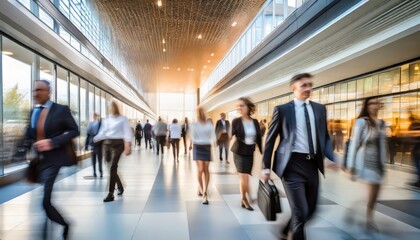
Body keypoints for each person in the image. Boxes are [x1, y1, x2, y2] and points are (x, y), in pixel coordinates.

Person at [262, 73, 336, 240]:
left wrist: (329, 157)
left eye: (310, 85)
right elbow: (270, 139)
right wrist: (265, 167)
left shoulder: (319, 109)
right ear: (293, 88)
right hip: (291, 165)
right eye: (304, 85)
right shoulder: (282, 110)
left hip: (312, 165)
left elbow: (324, 136)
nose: (308, 88)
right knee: (300, 212)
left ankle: (285, 229)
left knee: (311, 210)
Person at [25, 80, 79, 239]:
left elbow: (74, 131)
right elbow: (29, 133)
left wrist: (52, 142)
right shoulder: (33, 112)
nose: (36, 93)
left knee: (45, 201)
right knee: (44, 199)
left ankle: (65, 224)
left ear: (49, 92)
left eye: (40, 90)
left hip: (54, 159)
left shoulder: (61, 110)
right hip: (37, 161)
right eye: (34, 90)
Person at [347, 97, 387, 229]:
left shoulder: (382, 123)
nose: (375, 105)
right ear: (367, 106)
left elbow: (383, 145)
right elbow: (354, 144)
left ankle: (362, 211)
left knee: (377, 192)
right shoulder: (361, 122)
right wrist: (350, 165)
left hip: (378, 163)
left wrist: (384, 163)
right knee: (371, 191)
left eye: (376, 103)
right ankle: (369, 219)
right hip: (365, 161)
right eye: (371, 103)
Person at [94, 101, 133, 202]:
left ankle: (110, 193)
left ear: (115, 108)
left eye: (112, 107)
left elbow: (127, 133)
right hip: (107, 144)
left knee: (113, 167)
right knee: (111, 168)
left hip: (119, 144)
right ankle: (120, 186)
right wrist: (96, 138)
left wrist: (127, 145)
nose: (110, 109)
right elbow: (102, 132)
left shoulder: (123, 119)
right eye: (109, 108)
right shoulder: (106, 120)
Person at [231, 97, 262, 211]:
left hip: (249, 152)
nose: (239, 108)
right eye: (238, 106)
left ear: (248, 107)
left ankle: (247, 196)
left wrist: (262, 151)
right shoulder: (236, 121)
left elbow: (258, 137)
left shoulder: (254, 122)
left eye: (242, 105)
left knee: (246, 177)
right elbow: (231, 134)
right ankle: (244, 199)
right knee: (243, 176)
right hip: (239, 152)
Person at [190, 107, 216, 204]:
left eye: (203, 112)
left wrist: (214, 141)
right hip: (197, 147)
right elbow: (192, 136)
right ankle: (202, 189)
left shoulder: (209, 125)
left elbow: (213, 136)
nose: (201, 114)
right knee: (200, 169)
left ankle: (204, 190)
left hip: (206, 147)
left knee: (206, 170)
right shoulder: (195, 125)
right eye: (200, 112)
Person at [85, 113, 103, 177]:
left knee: (94, 159)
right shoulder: (100, 124)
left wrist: (86, 145)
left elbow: (88, 135)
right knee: (99, 159)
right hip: (99, 144)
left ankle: (94, 172)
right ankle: (100, 172)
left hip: (93, 144)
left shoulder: (91, 124)